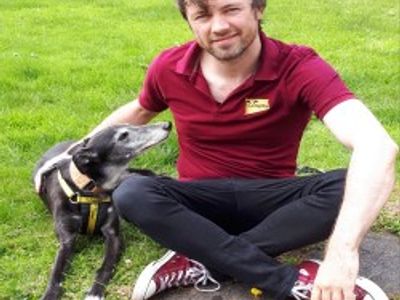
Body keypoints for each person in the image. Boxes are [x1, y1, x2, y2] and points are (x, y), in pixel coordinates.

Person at [35, 0, 398, 299]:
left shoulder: (299, 66)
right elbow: (139, 109)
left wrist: (343, 252)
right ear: (189, 21)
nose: (218, 26)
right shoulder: (169, 68)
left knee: (345, 184)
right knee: (133, 191)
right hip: (196, 202)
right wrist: (75, 158)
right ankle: (288, 283)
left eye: (231, 9)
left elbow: (377, 145)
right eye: (203, 15)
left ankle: (200, 257)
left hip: (271, 201)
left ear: (258, 8)